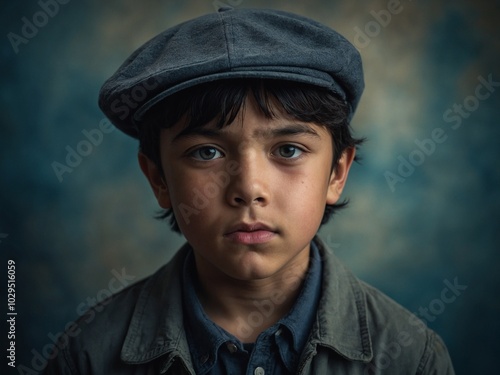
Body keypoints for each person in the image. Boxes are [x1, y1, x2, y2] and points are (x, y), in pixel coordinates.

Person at [43, 7, 455, 374]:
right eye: (206, 152)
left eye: (288, 149)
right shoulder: (87, 356)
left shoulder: (410, 356)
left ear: (336, 173)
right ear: (159, 179)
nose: (249, 189)